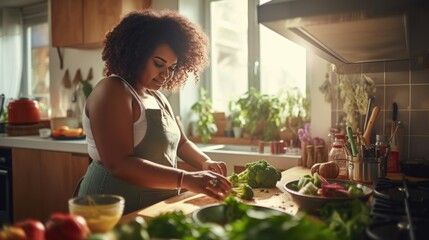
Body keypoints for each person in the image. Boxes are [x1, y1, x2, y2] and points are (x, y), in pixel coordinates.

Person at [78, 9, 232, 214]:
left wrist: (205, 162)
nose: (166, 75)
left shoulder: (157, 97)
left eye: (172, 67)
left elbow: (182, 143)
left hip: (152, 207)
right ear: (135, 55)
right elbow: (118, 163)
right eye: (159, 63)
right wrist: (185, 179)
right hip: (109, 208)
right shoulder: (112, 90)